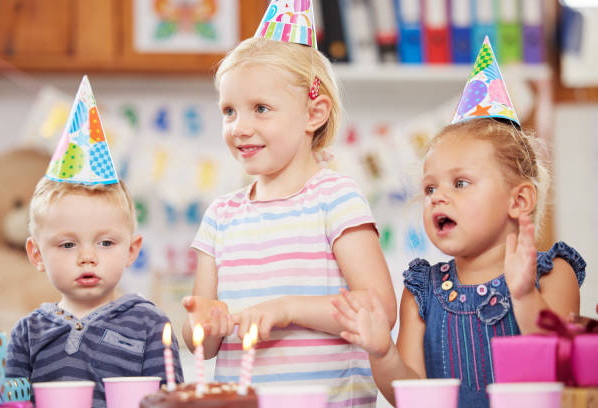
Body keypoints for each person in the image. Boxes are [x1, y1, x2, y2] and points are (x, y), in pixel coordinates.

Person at [331, 37, 586, 408]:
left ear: (519, 200)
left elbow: (561, 369)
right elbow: (409, 395)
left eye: (460, 183)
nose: (437, 196)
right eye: (430, 187)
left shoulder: (551, 274)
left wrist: (524, 296)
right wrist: (383, 353)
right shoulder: (422, 291)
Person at [181, 2, 396, 407]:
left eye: (260, 109)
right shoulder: (220, 218)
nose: (240, 127)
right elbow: (203, 346)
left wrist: (288, 308)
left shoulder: (335, 199)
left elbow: (380, 310)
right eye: (229, 111)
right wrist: (203, 325)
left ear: (314, 113)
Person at [5, 76, 183, 408]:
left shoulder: (152, 327)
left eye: (105, 243)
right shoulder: (26, 334)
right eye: (68, 245)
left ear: (131, 250)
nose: (88, 257)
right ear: (37, 253)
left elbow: (173, 401)